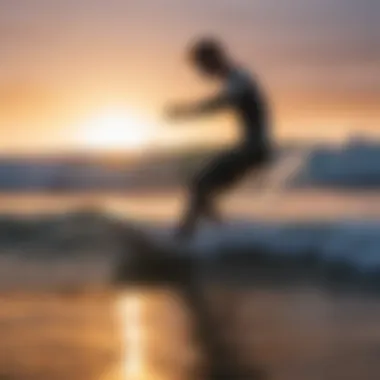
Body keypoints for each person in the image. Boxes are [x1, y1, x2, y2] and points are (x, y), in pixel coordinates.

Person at [166, 37, 272, 241]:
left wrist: (186, 112)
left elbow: (223, 102)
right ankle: (220, 236)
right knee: (203, 191)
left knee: (200, 186)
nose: (201, 72)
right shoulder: (235, 78)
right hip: (251, 149)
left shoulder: (239, 77)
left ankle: (182, 240)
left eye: (201, 66)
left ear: (213, 59)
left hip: (253, 150)